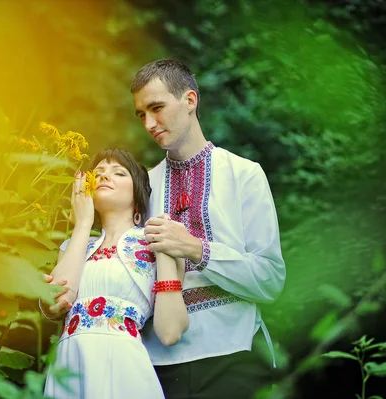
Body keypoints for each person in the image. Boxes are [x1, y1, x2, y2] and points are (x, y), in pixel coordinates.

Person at [131, 58, 286, 399]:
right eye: (142, 114)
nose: (149, 123)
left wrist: (194, 248)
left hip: (234, 354)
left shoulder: (244, 174)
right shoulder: (144, 187)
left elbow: (270, 280)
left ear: (190, 100)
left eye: (157, 108)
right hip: (157, 363)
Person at [40, 149, 190, 399]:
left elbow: (170, 332)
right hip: (71, 364)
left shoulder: (156, 240)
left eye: (119, 172)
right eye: (97, 173)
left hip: (124, 366)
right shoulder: (74, 246)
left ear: (138, 196)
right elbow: (59, 298)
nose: (104, 177)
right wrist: (83, 223)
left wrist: (164, 253)